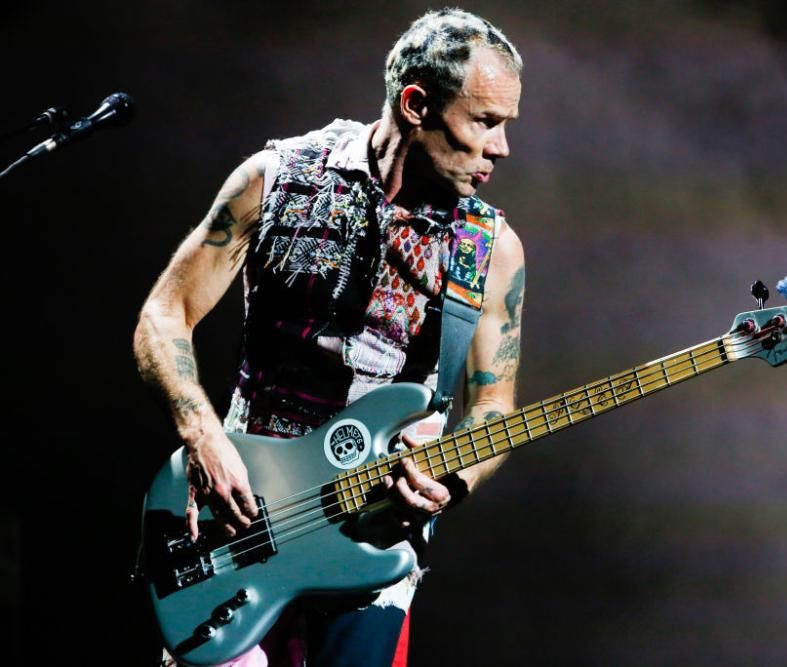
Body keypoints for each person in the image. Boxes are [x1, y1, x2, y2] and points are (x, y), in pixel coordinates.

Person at [133, 9, 525, 666]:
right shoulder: (277, 178)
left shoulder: (489, 249)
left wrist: (453, 478)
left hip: (371, 544)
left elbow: (493, 406)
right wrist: (202, 436)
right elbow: (164, 313)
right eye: (485, 121)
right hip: (241, 521)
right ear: (416, 104)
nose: (501, 147)